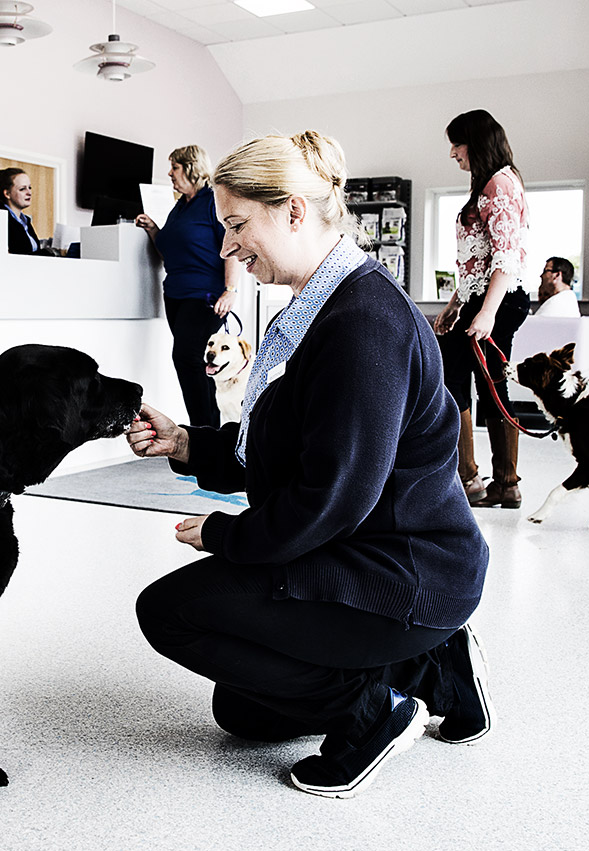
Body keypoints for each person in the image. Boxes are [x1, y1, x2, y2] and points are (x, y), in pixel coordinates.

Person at [127, 132, 492, 799]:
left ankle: (372, 710)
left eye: (238, 225)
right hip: (369, 550)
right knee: (241, 713)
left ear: (295, 211)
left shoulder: (364, 323)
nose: (230, 248)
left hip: (401, 570)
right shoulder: (323, 304)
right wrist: (186, 443)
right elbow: (291, 444)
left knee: (169, 612)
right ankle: (429, 668)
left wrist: (224, 536)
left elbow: (331, 497)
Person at [432, 109, 532, 509]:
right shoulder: (491, 184)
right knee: (454, 376)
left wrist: (487, 313)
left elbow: (506, 257)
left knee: (489, 384)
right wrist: (456, 304)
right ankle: (475, 478)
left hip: (500, 301)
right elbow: (477, 259)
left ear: (475, 141)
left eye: (457, 144)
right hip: (481, 298)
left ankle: (500, 482)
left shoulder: (500, 184)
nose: (453, 153)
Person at [134, 145, 241, 427]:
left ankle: (199, 434)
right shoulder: (180, 206)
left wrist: (230, 290)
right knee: (198, 364)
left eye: (175, 167)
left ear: (191, 168)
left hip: (204, 296)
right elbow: (169, 250)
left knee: (185, 358)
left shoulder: (212, 201)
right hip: (176, 295)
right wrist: (154, 230)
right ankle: (212, 432)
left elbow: (230, 245)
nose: (170, 173)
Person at [0, 167, 49, 255]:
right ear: (7, 194)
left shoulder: (26, 221)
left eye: (29, 187)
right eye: (22, 189)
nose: (29, 192)